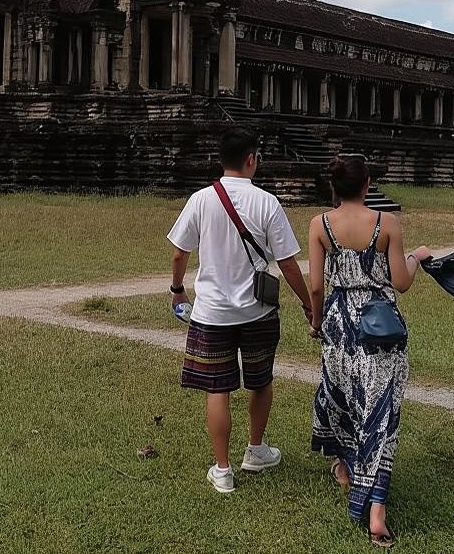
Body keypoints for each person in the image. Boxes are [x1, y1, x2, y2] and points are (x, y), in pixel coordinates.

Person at [168, 127, 313, 494]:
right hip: (258, 311)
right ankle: (256, 449)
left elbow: (179, 252)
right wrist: (309, 303)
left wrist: (176, 289)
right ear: (251, 160)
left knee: (217, 389)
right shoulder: (267, 203)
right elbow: (289, 264)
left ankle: (222, 469)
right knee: (260, 380)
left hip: (211, 312)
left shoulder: (201, 199)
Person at [307, 155, 430, 548]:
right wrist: (416, 257)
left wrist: (316, 323)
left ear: (334, 186)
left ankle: (345, 469)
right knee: (380, 412)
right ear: (367, 184)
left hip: (338, 324)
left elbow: (315, 287)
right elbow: (402, 282)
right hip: (380, 326)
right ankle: (376, 508)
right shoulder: (387, 224)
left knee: (343, 399)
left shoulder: (320, 225)